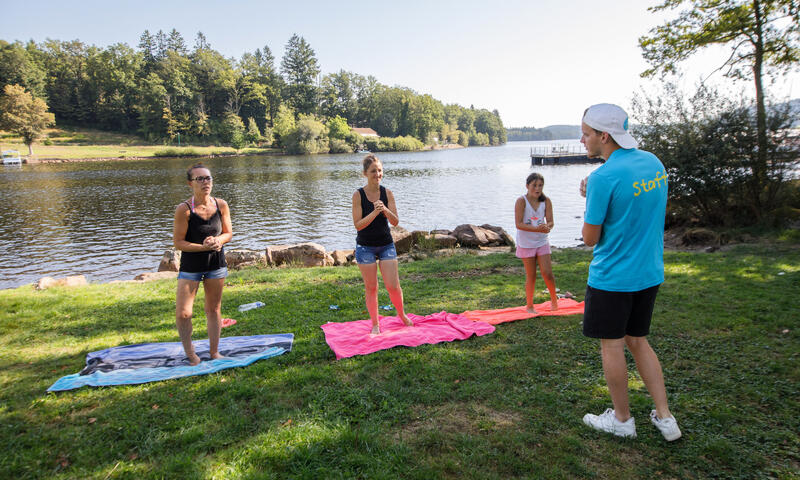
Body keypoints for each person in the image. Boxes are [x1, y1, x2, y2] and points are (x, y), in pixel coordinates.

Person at [578, 103, 681, 441]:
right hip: (649, 272)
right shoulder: (653, 163)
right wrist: (595, 193)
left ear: (604, 136)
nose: (582, 139)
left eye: (586, 133)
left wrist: (592, 195)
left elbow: (590, 238)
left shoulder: (603, 177)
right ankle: (665, 417)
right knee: (638, 340)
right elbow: (640, 208)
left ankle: (622, 420)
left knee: (612, 345)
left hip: (613, 278)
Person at [173, 163, 233, 365]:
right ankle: (191, 354)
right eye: (200, 179)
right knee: (183, 313)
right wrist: (203, 247)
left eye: (208, 178)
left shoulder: (221, 205)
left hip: (216, 265)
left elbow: (228, 233)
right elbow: (178, 243)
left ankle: (214, 352)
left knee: (214, 310)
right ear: (190, 183)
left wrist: (218, 241)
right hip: (191, 267)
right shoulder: (184, 210)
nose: (206, 182)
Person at [351, 154, 413, 335]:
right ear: (365, 173)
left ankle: (402, 315)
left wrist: (384, 209)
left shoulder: (387, 193)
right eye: (373, 171)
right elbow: (358, 225)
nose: (377, 174)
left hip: (386, 244)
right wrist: (374, 212)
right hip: (365, 247)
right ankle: (375, 324)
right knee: (372, 287)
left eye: (379, 170)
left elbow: (395, 222)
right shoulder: (358, 195)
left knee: (393, 286)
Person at [514, 172, 558, 313]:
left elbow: (550, 222)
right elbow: (518, 224)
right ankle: (530, 306)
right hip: (526, 243)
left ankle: (554, 302)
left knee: (547, 273)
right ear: (527, 186)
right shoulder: (521, 201)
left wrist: (547, 227)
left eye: (540, 185)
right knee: (531, 275)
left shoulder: (546, 201)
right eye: (534, 185)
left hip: (541, 242)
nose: (537, 189)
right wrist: (536, 229)